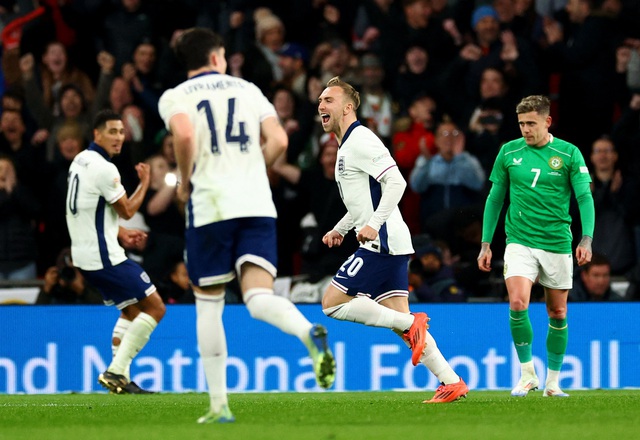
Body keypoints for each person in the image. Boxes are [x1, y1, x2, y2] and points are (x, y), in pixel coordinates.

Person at [157, 28, 336, 424]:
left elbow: (185, 133)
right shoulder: (248, 88)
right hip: (256, 203)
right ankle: (308, 331)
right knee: (257, 298)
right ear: (218, 56)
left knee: (209, 305)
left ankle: (219, 405)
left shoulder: (175, 96)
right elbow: (278, 141)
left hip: (211, 207)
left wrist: (185, 180)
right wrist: (253, 165)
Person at [317, 76, 468, 403]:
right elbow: (363, 200)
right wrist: (341, 229)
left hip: (381, 242)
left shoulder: (361, 140)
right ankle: (451, 380)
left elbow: (396, 183)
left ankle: (410, 321)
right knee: (404, 330)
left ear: (347, 107)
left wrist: (372, 225)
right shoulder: (347, 146)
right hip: (388, 241)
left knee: (331, 304)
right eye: (320, 100)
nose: (320, 105)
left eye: (328, 100)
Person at [477, 95, 595, 398]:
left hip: (557, 242)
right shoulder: (509, 152)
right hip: (519, 241)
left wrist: (587, 238)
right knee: (518, 303)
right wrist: (486, 243)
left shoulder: (568, 154)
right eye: (521, 124)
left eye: (531, 123)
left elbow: (584, 198)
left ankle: (553, 383)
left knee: (557, 312)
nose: (525, 130)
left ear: (547, 121)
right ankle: (527, 373)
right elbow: (495, 199)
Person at [66, 109, 166, 395]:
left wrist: (118, 233)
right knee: (156, 307)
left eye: (121, 132)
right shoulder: (105, 169)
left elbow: (83, 209)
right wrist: (145, 182)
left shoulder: (80, 160)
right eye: (112, 131)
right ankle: (116, 371)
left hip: (86, 255)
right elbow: (128, 210)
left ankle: (121, 378)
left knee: (131, 310)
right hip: (104, 257)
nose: (119, 137)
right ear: (96, 133)